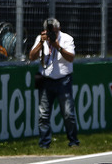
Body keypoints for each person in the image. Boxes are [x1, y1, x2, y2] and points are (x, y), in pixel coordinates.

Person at [28, 17, 80, 149]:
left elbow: (71, 57)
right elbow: (31, 56)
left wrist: (58, 46)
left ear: (59, 29)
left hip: (64, 80)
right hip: (46, 81)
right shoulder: (42, 39)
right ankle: (44, 143)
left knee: (68, 113)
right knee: (43, 114)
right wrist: (41, 42)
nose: (53, 34)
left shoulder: (67, 39)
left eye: (55, 32)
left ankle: (73, 141)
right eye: (51, 32)